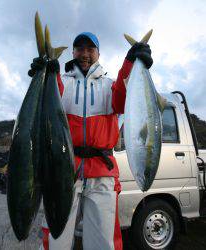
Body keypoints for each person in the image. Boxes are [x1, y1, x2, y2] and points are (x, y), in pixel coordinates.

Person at [28, 32, 153, 250]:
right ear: (74, 52)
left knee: (103, 243)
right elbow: (45, 101)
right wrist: (45, 72)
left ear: (98, 53)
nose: (85, 54)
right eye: (80, 49)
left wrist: (131, 62)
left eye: (90, 49)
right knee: (55, 241)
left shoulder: (110, 85)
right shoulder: (63, 83)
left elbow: (123, 100)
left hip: (102, 174)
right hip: (64, 171)